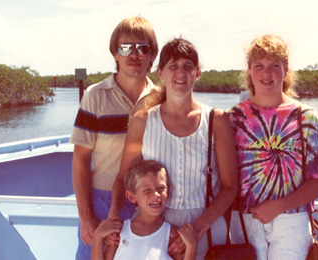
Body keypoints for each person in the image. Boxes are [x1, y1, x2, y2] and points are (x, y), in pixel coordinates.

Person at [108, 37, 238, 259]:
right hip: (153, 228)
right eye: (173, 66)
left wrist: (197, 229)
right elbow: (123, 177)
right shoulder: (142, 121)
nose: (181, 73)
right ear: (160, 73)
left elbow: (230, 186)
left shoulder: (217, 120)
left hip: (206, 228)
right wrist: (112, 220)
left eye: (188, 67)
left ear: (197, 73)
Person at [227, 34, 318, 260]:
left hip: (292, 223)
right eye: (259, 65)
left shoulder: (306, 118)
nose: (266, 73)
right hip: (244, 222)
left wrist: (279, 205)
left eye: (274, 66)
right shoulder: (234, 118)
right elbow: (224, 177)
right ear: (249, 69)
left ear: (286, 69)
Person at [70, 16, 159, 260]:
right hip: (102, 198)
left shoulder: (161, 99)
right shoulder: (95, 96)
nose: (135, 54)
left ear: (152, 56)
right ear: (115, 54)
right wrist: (86, 216)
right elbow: (80, 160)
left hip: (149, 201)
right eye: (125, 47)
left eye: (143, 48)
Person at [91, 160, 201, 260]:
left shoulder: (172, 235)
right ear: (131, 196)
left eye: (161, 189)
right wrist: (97, 238)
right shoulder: (118, 234)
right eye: (147, 190)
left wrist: (192, 246)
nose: (156, 195)